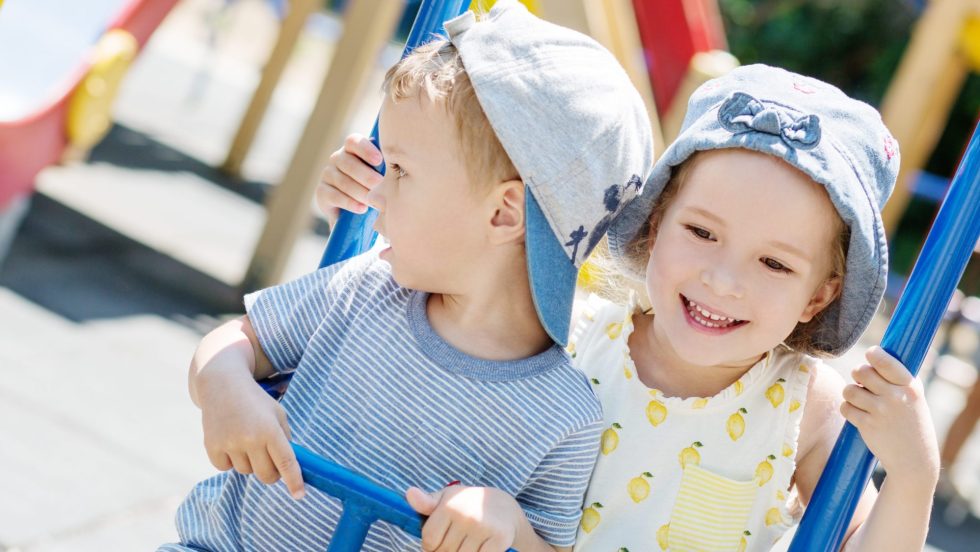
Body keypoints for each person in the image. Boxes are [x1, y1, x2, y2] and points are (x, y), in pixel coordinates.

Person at [321, 64, 941, 551]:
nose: (722, 280)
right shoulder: (567, 326)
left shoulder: (806, 408)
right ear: (655, 223)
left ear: (818, 295)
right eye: (701, 232)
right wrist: (378, 196)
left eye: (774, 263)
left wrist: (913, 478)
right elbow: (428, 287)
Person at [159, 1, 654, 551]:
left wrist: (508, 525)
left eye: (400, 170)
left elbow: (547, 545)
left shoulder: (563, 417)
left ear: (503, 214)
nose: (374, 192)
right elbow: (237, 341)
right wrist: (224, 383)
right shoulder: (366, 289)